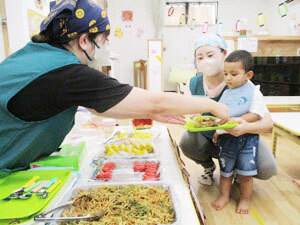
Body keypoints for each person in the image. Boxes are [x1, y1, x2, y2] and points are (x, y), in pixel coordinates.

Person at [0, 0, 229, 177]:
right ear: (84, 41)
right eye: (104, 40)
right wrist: (211, 104)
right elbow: (156, 100)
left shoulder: (35, 56)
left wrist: (148, 113)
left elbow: (98, 107)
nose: (106, 48)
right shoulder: (67, 73)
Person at [180, 33, 277, 186]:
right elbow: (189, 116)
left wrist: (246, 127)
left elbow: (268, 123)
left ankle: (240, 170)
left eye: (210, 55)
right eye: (200, 57)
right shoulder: (193, 84)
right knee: (187, 140)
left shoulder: (244, 84)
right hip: (211, 140)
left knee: (267, 168)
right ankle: (208, 167)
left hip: (241, 140)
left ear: (224, 54)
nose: (206, 61)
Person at [212, 50, 264, 214]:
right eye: (225, 73)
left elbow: (255, 114)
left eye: (234, 74)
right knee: (225, 172)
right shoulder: (226, 93)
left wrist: (237, 120)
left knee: (246, 174)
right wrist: (217, 131)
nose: (228, 78)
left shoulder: (254, 91)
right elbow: (220, 115)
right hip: (226, 140)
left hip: (247, 140)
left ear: (248, 74)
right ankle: (224, 195)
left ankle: (245, 198)